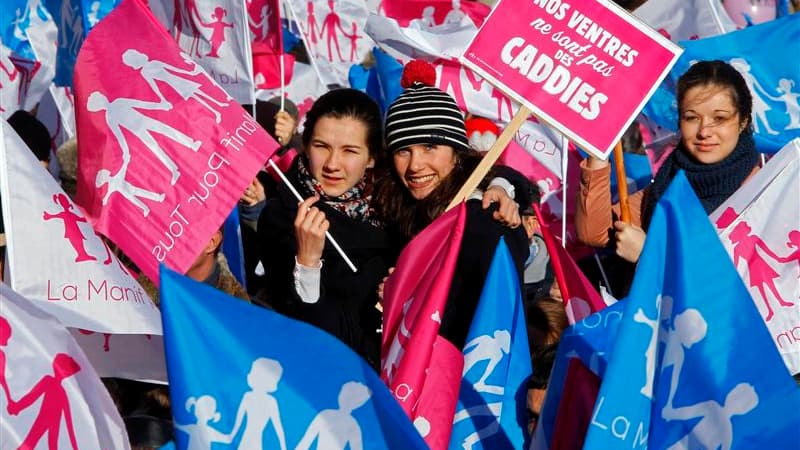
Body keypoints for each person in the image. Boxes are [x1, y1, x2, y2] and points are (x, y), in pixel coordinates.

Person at [374, 60, 532, 349]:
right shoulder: (394, 210)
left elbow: (492, 316)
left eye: (430, 147)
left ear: (457, 153)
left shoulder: (480, 218)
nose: (415, 165)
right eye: (403, 150)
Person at [576, 60, 761, 266]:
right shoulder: (670, 179)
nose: (704, 131)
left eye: (719, 118)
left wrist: (649, 256)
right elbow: (595, 233)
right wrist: (599, 145)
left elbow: (734, 283)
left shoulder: (764, 192)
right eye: (692, 118)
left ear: (743, 120)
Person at [257, 89, 393, 368]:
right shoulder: (282, 216)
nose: (332, 164)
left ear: (371, 158)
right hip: (325, 379)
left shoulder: (395, 206)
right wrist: (307, 264)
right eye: (322, 146)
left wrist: (502, 185)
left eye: (349, 151)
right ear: (305, 145)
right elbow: (301, 328)